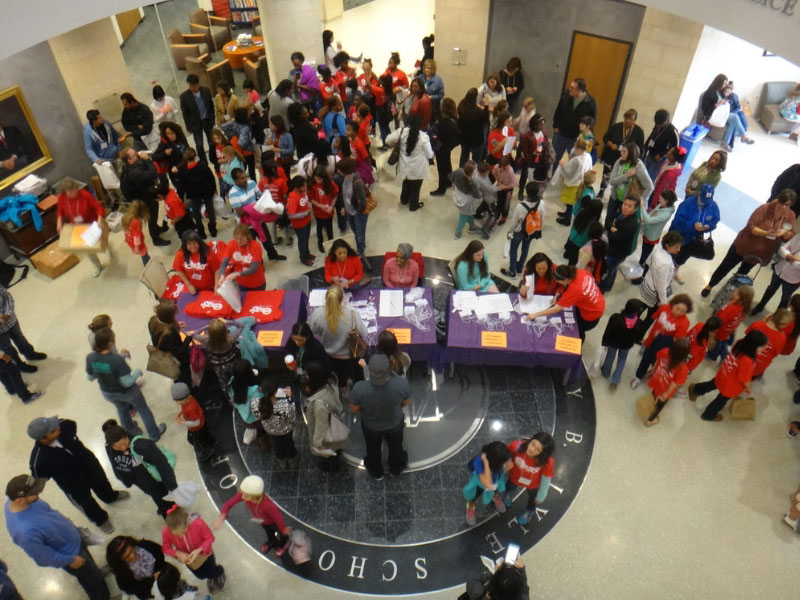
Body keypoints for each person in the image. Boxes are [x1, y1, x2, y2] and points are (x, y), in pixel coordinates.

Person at [5, 474, 110, 600]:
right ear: (20, 500)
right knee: (90, 580)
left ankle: (96, 575)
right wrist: (70, 561)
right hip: (71, 554)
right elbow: (43, 557)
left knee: (91, 571)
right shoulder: (25, 533)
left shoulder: (15, 502)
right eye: (34, 492)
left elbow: (47, 512)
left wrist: (62, 520)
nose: (39, 492)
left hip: (73, 539)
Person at [28, 416, 130, 533]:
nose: (57, 427)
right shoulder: (39, 460)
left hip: (90, 466)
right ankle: (101, 520)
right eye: (53, 430)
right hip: (73, 485)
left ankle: (110, 496)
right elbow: (39, 480)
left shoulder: (64, 426)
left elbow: (72, 424)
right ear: (44, 438)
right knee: (86, 503)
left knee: (102, 483)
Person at [701, 190, 796, 298]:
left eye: (788, 205)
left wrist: (785, 232)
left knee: (742, 273)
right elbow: (751, 227)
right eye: (782, 204)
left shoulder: (790, 215)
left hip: (760, 253)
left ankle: (730, 293)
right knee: (725, 266)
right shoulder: (764, 208)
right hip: (744, 246)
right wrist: (766, 233)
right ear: (778, 200)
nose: (784, 207)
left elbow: (791, 233)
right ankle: (710, 285)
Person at [87, 326, 166, 440]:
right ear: (110, 343)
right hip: (126, 392)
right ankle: (154, 434)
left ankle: (131, 432)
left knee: (122, 410)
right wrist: (137, 373)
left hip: (107, 393)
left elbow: (90, 377)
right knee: (143, 409)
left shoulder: (91, 358)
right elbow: (127, 382)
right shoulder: (117, 360)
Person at [350, 355, 411, 479]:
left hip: (371, 426)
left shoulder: (359, 388)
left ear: (370, 369)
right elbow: (405, 403)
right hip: (394, 424)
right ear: (389, 367)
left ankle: (376, 472)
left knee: (372, 449)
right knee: (396, 447)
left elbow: (354, 409)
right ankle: (396, 469)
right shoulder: (401, 384)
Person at [688, 329, 768, 422]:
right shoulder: (747, 361)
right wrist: (748, 388)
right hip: (731, 385)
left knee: (712, 384)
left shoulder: (740, 343)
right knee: (720, 401)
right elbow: (744, 379)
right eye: (762, 347)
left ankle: (695, 389)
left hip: (724, 373)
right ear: (753, 346)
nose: (765, 348)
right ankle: (709, 415)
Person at [102, 419, 175, 518]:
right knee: (156, 496)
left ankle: (169, 512)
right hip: (141, 482)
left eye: (125, 443)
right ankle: (163, 508)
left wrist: (170, 483)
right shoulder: (109, 449)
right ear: (111, 446)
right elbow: (115, 465)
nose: (123, 448)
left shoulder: (139, 445)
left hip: (154, 479)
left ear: (126, 435)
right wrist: (125, 480)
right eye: (118, 448)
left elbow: (160, 462)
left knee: (165, 497)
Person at [214, 475, 291, 556]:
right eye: (242, 493)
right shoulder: (245, 495)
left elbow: (278, 518)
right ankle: (272, 540)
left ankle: (284, 543)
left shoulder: (268, 505)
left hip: (273, 522)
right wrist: (222, 515)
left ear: (254, 496)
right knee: (268, 531)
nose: (242, 496)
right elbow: (229, 504)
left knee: (281, 533)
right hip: (263, 521)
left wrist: (283, 529)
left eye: (245, 495)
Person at [309, 285, 367, 391]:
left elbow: (313, 329)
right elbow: (364, 333)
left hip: (330, 354)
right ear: (342, 299)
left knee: (339, 375)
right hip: (350, 354)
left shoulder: (317, 314)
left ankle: (343, 389)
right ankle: (358, 389)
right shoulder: (352, 315)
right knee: (356, 371)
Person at [526, 265, 606, 339]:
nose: (559, 283)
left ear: (565, 280)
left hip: (592, 314)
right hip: (598, 301)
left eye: (559, 281)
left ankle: (578, 345)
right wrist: (557, 295)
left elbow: (555, 310)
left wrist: (535, 314)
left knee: (579, 331)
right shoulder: (579, 272)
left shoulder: (574, 290)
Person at [631, 294, 692, 388]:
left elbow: (677, 340)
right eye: (677, 308)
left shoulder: (685, 322)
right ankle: (638, 377)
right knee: (645, 359)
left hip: (665, 346)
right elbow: (654, 317)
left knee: (658, 363)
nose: (679, 312)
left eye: (683, 311)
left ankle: (651, 372)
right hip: (652, 339)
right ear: (673, 304)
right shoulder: (664, 308)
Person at [162, 504, 226, 593]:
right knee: (200, 575)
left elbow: (210, 538)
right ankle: (210, 576)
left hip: (205, 555)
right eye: (176, 535)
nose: (181, 536)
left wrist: (199, 550)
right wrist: (177, 553)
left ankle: (218, 572)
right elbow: (166, 548)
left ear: (187, 521)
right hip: (189, 559)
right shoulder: (166, 531)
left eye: (183, 531)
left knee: (211, 570)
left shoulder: (198, 523)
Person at [668, 184, 720, 281]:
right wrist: (692, 225)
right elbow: (677, 223)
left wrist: (708, 227)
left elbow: (715, 221)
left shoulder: (713, 206)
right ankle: (665, 272)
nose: (705, 203)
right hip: (678, 237)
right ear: (699, 194)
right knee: (671, 256)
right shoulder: (686, 204)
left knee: (682, 258)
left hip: (694, 240)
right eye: (703, 199)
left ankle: (674, 271)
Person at [302, 361, 347, 470]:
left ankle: (332, 466)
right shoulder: (331, 380)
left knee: (330, 451)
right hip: (336, 418)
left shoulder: (318, 403)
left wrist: (317, 443)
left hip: (328, 432)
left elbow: (321, 425)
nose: (305, 376)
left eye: (307, 374)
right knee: (336, 448)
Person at [56, 178, 107, 275]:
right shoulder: (61, 198)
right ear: (64, 192)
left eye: (75, 189)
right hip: (79, 227)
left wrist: (100, 220)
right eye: (70, 191)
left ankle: (107, 246)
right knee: (86, 247)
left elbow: (98, 207)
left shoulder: (84, 194)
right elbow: (60, 212)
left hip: (93, 222)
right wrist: (59, 222)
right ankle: (97, 265)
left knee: (103, 240)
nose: (74, 192)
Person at [119, 147, 169, 246]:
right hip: (142, 199)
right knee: (152, 216)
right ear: (129, 160)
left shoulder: (131, 166)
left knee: (154, 210)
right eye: (134, 155)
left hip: (143, 192)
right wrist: (148, 159)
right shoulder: (133, 172)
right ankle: (156, 239)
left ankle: (156, 229)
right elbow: (152, 174)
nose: (138, 154)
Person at [502, 432, 554, 525]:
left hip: (533, 484)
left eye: (537, 450)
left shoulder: (547, 462)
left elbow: (546, 480)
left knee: (532, 499)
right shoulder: (516, 446)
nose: (532, 449)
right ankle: (508, 495)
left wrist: (541, 496)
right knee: (510, 487)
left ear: (542, 453)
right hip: (514, 477)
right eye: (533, 444)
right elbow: (505, 454)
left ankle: (529, 511)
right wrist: (507, 462)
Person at [386, 114, 434, 212]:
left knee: (406, 182)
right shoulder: (423, 137)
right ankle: (413, 205)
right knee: (415, 188)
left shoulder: (401, 132)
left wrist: (396, 144)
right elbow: (429, 155)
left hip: (405, 166)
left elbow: (387, 140)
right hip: (418, 168)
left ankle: (404, 200)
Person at [642, 339, 690, 427]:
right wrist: (666, 394)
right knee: (659, 405)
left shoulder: (665, 351)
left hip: (657, 379)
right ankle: (650, 420)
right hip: (665, 388)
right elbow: (675, 383)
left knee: (653, 394)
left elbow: (657, 361)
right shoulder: (683, 368)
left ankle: (648, 406)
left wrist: (653, 371)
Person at [599, 298, 646, 389]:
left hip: (613, 343)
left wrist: (605, 343)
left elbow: (608, 331)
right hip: (626, 345)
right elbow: (638, 338)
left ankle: (605, 372)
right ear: (637, 312)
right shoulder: (639, 324)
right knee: (622, 359)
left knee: (610, 356)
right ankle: (616, 379)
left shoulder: (615, 318)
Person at [463, 441, 513, 526]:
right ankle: (470, 505)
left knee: (494, 490)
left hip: (494, 481)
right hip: (479, 483)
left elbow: (509, 464)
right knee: (473, 495)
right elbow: (486, 482)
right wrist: (486, 463)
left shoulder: (496, 460)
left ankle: (494, 496)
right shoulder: (478, 462)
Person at [605, 143, 653, 229]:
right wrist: (626, 176)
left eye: (624, 151)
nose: (621, 153)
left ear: (631, 153)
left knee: (619, 224)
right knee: (608, 221)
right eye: (621, 150)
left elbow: (650, 187)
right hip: (614, 197)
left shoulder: (639, 167)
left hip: (627, 203)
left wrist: (639, 202)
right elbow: (612, 181)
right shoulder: (619, 161)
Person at [0, 284, 47, 371]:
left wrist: (7, 314)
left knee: (20, 338)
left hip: (10, 321)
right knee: (7, 349)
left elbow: (7, 297)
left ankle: (30, 354)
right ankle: (19, 365)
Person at [752, 231, 800, 314]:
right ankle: (760, 306)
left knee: (785, 299)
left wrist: (789, 257)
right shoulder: (798, 237)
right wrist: (791, 257)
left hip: (793, 279)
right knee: (770, 289)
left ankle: (776, 318)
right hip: (780, 270)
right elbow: (781, 249)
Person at [501, 182, 542, 279]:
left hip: (519, 230)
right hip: (531, 230)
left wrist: (509, 231)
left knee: (514, 248)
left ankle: (512, 271)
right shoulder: (541, 204)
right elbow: (541, 216)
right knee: (525, 248)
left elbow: (514, 221)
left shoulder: (521, 206)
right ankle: (519, 269)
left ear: (526, 192)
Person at [599, 109, 645, 196]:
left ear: (634, 120)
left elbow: (640, 148)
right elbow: (605, 137)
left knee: (621, 178)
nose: (627, 121)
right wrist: (611, 144)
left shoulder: (639, 132)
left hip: (626, 160)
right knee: (606, 175)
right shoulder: (616, 126)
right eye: (626, 118)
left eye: (630, 119)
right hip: (611, 156)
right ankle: (601, 191)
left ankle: (616, 195)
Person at [106, 535, 167, 599]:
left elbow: (160, 552)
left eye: (132, 550)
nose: (132, 556)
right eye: (127, 557)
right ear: (120, 560)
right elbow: (130, 589)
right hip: (148, 590)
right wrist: (152, 579)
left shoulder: (145, 545)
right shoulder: (122, 572)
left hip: (163, 574)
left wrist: (159, 571)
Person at [255, 379, 298, 470]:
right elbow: (292, 416)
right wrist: (290, 397)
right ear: (276, 392)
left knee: (277, 445)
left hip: (271, 431)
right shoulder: (286, 404)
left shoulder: (256, 404)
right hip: (287, 430)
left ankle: (282, 464)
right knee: (289, 444)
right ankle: (292, 462)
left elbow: (256, 416)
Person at [600, 196, 640, 293]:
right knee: (611, 269)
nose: (625, 207)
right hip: (614, 247)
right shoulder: (621, 213)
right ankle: (607, 285)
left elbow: (613, 237)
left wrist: (611, 229)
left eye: (629, 206)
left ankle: (605, 288)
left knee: (611, 270)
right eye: (624, 204)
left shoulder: (630, 224)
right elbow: (609, 223)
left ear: (635, 209)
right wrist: (612, 228)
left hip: (618, 252)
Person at [148, 298, 192, 385]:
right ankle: (186, 390)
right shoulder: (169, 335)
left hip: (164, 352)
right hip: (177, 363)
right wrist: (188, 338)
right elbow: (179, 353)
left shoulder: (153, 320)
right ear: (169, 317)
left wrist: (176, 325)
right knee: (183, 379)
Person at [639, 231, 684, 315]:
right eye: (676, 247)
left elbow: (648, 261)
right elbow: (661, 285)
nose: (679, 250)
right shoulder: (666, 263)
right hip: (654, 293)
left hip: (647, 283)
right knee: (651, 316)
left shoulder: (658, 246)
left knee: (640, 308)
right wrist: (664, 303)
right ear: (667, 245)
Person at [552, 78, 597, 160]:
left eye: (572, 88)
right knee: (554, 158)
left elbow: (592, 121)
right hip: (561, 133)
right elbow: (558, 111)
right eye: (570, 86)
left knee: (573, 160)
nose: (569, 89)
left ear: (579, 90)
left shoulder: (590, 102)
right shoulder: (566, 95)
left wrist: (584, 134)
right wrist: (555, 126)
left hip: (575, 137)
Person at [706, 286, 754, 362]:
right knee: (722, 342)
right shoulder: (744, 309)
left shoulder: (731, 309)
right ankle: (725, 356)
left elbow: (719, 321)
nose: (733, 293)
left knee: (717, 344)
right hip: (728, 331)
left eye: (737, 294)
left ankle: (712, 356)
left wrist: (712, 333)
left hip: (719, 331)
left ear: (742, 299)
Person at [336, 158, 370, 261]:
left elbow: (363, 201)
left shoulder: (357, 182)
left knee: (360, 234)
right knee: (355, 231)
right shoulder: (344, 179)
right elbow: (343, 194)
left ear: (345, 170)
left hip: (358, 213)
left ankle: (360, 251)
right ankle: (360, 246)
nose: (337, 171)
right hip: (349, 211)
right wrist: (343, 207)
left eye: (339, 169)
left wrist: (358, 213)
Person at [179, 148, 217, 239]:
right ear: (195, 156)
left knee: (196, 211)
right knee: (210, 209)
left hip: (194, 194)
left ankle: (201, 231)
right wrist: (214, 188)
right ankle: (212, 228)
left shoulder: (184, 171)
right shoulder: (202, 165)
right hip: (207, 191)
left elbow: (184, 185)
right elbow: (211, 177)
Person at [172, 382, 215, 462]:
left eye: (177, 401)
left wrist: (182, 422)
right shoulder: (189, 398)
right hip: (202, 422)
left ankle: (207, 453)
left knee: (194, 440)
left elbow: (196, 423)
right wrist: (181, 412)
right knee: (206, 434)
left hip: (196, 428)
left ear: (184, 399)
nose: (177, 403)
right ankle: (212, 442)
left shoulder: (190, 408)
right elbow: (184, 408)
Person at [180, 74, 215, 168]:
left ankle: (214, 158)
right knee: (199, 145)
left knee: (212, 141)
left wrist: (212, 120)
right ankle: (204, 164)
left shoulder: (206, 91)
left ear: (198, 84)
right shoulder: (184, 97)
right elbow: (185, 114)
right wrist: (189, 127)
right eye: (190, 85)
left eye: (193, 86)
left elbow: (211, 106)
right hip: (196, 124)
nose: (191, 88)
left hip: (207, 121)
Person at [554, 138, 591, 226]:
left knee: (570, 202)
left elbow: (569, 173)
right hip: (581, 182)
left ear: (578, 149)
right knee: (570, 200)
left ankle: (567, 219)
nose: (574, 150)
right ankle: (566, 213)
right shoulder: (587, 156)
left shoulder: (577, 160)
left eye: (575, 148)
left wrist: (563, 165)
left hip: (574, 183)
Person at [219, 224, 266, 291]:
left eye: (241, 239)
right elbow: (224, 262)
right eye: (236, 238)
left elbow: (253, 269)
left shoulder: (256, 246)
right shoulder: (232, 243)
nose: (238, 241)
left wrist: (237, 274)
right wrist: (222, 275)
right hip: (241, 283)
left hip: (257, 282)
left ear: (247, 237)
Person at [746, 310, 792, 379]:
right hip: (761, 363)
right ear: (783, 325)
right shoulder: (782, 338)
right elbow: (775, 353)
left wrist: (763, 321)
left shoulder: (758, 324)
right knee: (752, 375)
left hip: (747, 356)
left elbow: (747, 335)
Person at [172, 230, 221, 295]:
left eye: (195, 243)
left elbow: (217, 269)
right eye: (189, 244)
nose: (192, 246)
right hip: (194, 288)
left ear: (199, 242)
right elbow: (179, 270)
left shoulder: (208, 253)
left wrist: (216, 285)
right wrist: (189, 285)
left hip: (211, 287)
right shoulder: (180, 254)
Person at [430, 97, 460, 195]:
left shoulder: (443, 122)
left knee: (441, 167)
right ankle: (448, 181)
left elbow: (436, 134)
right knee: (447, 163)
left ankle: (441, 188)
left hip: (442, 147)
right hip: (449, 145)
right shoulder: (454, 118)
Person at [642, 108, 680, 182]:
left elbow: (675, 148)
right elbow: (652, 136)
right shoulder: (657, 125)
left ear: (666, 121)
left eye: (660, 124)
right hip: (650, 154)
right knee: (644, 173)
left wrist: (662, 155)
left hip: (659, 159)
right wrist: (645, 147)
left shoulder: (673, 131)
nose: (658, 126)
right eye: (657, 124)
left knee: (651, 177)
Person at [310, 165, 340, 253]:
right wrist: (321, 206)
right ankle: (320, 242)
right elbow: (311, 199)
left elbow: (335, 195)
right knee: (319, 228)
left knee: (329, 227)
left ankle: (331, 242)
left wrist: (331, 206)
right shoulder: (312, 185)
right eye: (316, 178)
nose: (318, 181)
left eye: (320, 179)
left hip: (329, 211)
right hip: (318, 212)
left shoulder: (330, 184)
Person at [287, 175, 314, 266]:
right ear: (297, 187)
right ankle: (303, 258)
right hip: (299, 225)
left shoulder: (302, 192)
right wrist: (305, 213)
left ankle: (307, 253)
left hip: (307, 221)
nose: (305, 188)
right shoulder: (293, 198)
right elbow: (291, 215)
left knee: (306, 239)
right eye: (303, 186)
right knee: (302, 241)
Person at [222, 108, 257, 180]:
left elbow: (223, 127)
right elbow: (242, 143)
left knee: (241, 170)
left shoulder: (234, 122)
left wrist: (231, 136)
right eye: (247, 114)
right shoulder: (244, 128)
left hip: (237, 152)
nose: (249, 115)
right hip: (247, 153)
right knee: (251, 172)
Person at [450, 160, 482, 239]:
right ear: (474, 171)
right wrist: (481, 195)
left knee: (468, 213)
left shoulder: (459, 171)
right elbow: (477, 195)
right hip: (468, 201)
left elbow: (451, 177)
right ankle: (458, 233)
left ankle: (472, 227)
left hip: (458, 196)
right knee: (463, 215)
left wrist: (454, 183)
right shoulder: (474, 181)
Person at [457, 89, 490, 165]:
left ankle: (462, 172)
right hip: (476, 139)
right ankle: (474, 174)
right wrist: (486, 105)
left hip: (464, 137)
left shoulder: (461, 107)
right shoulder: (478, 112)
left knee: (464, 157)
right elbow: (485, 119)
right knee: (476, 160)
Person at [648, 146, 686, 210]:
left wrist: (653, 203)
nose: (667, 152)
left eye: (669, 152)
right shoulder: (668, 162)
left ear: (672, 157)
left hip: (660, 198)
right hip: (656, 189)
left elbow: (661, 189)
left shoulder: (670, 174)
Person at [720, 81, 755, 150]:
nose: (726, 93)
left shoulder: (733, 96)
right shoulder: (720, 95)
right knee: (735, 118)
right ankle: (743, 137)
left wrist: (733, 112)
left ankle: (725, 143)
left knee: (733, 123)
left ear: (731, 92)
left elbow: (738, 107)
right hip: (722, 114)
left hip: (731, 114)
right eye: (725, 92)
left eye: (728, 92)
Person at [492, 154, 519, 223]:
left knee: (506, 204)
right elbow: (494, 172)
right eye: (500, 167)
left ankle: (504, 216)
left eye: (504, 168)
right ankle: (498, 213)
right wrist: (497, 179)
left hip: (508, 189)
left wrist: (505, 187)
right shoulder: (496, 167)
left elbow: (515, 183)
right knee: (499, 201)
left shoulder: (510, 171)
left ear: (508, 165)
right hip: (501, 186)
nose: (501, 169)